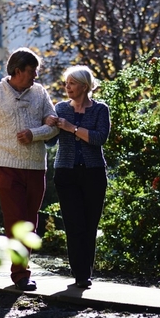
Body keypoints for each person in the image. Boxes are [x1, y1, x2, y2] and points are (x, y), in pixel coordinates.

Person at [0, 47, 59, 291]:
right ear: (17, 71)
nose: (35, 76)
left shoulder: (40, 93)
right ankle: (20, 275)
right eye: (32, 71)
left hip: (35, 167)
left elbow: (54, 127)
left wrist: (34, 133)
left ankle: (22, 271)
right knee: (15, 219)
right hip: (6, 166)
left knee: (30, 221)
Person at [45, 65, 110, 289]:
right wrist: (48, 125)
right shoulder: (61, 108)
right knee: (74, 224)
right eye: (66, 83)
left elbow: (99, 138)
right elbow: (50, 140)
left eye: (71, 83)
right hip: (66, 172)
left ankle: (85, 272)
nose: (67, 87)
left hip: (93, 173)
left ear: (84, 86)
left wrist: (72, 128)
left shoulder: (100, 110)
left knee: (90, 224)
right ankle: (80, 273)